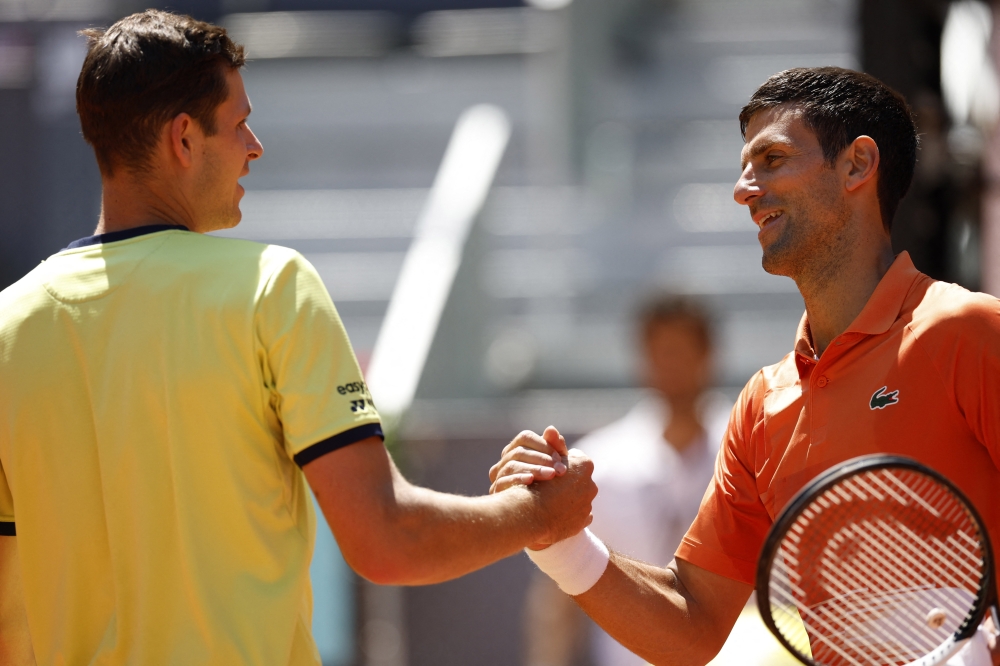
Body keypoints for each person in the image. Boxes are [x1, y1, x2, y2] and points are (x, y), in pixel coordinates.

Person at [0, 11, 596, 666]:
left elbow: (7, 614)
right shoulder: (271, 286)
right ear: (183, 139)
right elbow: (387, 540)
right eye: (238, 124)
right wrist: (537, 515)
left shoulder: (10, 325)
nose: (254, 145)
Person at [490, 67, 1000, 665]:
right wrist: (559, 542)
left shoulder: (965, 333)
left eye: (773, 158)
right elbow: (692, 625)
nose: (743, 188)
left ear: (859, 165)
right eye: (744, 166)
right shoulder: (762, 405)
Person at [523, 294, 728, 666]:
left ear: (708, 356)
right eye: (661, 352)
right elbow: (557, 602)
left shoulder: (757, 453)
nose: (672, 365)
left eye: (683, 351)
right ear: (643, 359)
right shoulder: (597, 463)